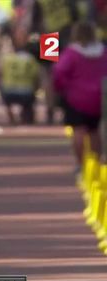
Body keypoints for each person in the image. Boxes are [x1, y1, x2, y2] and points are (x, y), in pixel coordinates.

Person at [53, 22, 107, 172]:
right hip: (99, 97)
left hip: (76, 98)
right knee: (94, 131)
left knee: (78, 131)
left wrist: (60, 89)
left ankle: (80, 163)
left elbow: (58, 72)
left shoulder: (71, 53)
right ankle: (97, 162)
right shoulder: (103, 52)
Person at [0, 44, 40, 125]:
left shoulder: (7, 58)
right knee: (48, 69)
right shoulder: (31, 58)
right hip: (27, 92)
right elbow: (37, 78)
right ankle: (45, 111)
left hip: (8, 92)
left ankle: (9, 109)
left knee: (2, 86)